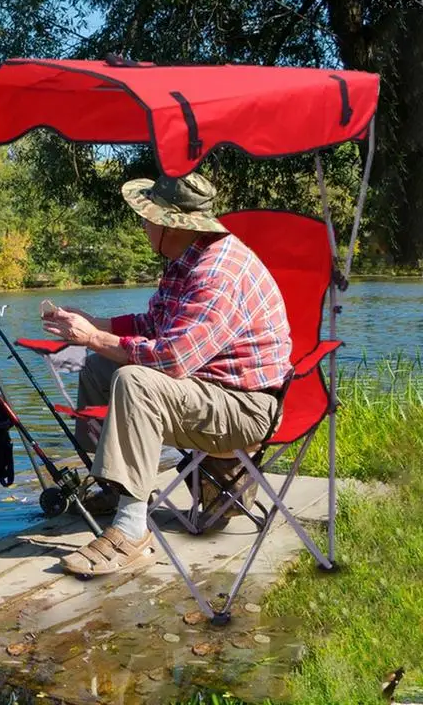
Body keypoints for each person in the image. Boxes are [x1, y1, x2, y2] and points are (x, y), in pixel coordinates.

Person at [42, 172, 292, 576]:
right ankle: (117, 486)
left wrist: (91, 337)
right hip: (209, 393)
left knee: (134, 380)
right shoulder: (187, 261)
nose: (142, 223)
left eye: (146, 216)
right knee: (99, 364)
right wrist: (97, 323)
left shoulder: (217, 273)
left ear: (170, 224)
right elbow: (153, 322)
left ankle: (130, 531)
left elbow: (171, 359)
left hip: (246, 412)